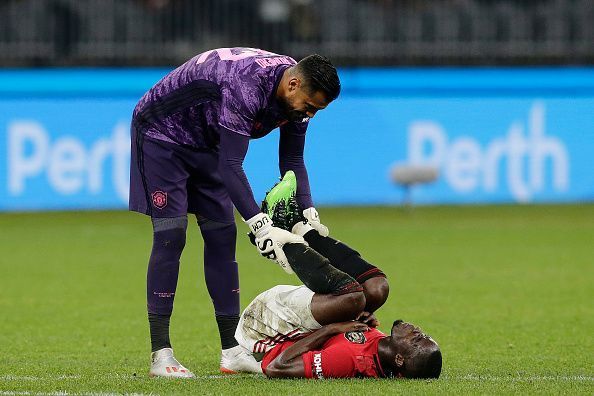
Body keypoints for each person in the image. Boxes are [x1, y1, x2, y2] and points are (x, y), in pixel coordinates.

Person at [128, 47, 341, 377]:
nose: (309, 115)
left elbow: (292, 163)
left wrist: (307, 211)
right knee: (172, 235)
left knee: (222, 236)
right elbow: (231, 165)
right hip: (161, 134)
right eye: (310, 107)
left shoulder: (297, 97)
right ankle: (161, 354)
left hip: (206, 142)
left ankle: (232, 351)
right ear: (294, 84)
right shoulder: (246, 85)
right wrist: (260, 224)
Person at [235, 172, 442, 379]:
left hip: (265, 328)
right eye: (424, 335)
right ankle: (300, 227)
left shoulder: (350, 360)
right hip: (293, 320)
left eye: (416, 340)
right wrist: (353, 317)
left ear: (399, 360)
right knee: (377, 288)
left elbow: (276, 368)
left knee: (353, 297)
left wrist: (333, 328)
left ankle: (272, 237)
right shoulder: (381, 347)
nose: (417, 331)